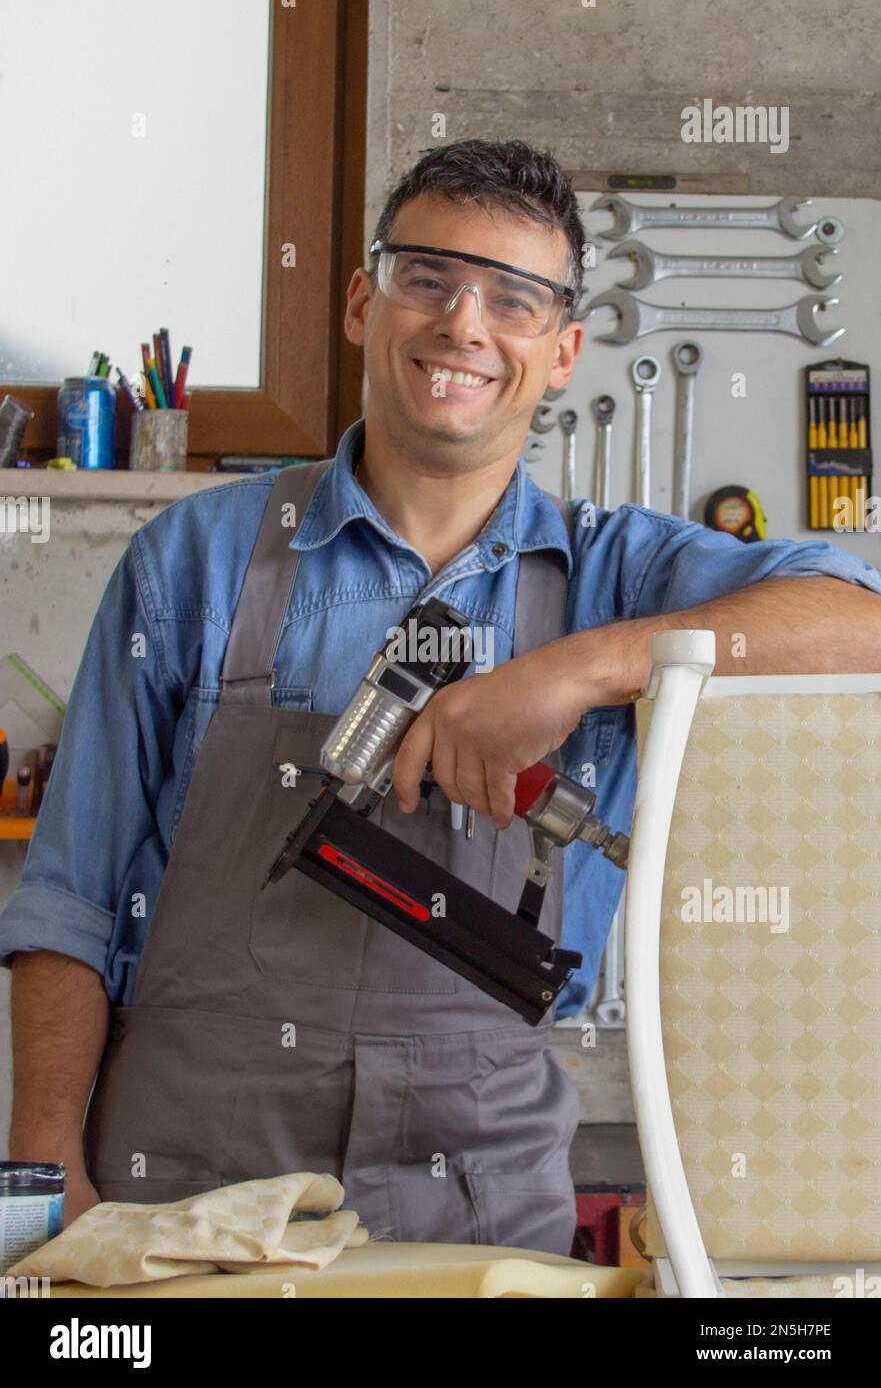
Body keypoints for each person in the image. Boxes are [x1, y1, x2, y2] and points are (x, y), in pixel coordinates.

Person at [3, 140, 880, 1256]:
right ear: (364, 303)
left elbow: (862, 626)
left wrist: (578, 669)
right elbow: (71, 899)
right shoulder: (196, 561)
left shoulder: (616, 576)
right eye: (429, 278)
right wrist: (43, 1180)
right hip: (186, 1184)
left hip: (476, 1196)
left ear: (561, 351)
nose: (464, 325)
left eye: (512, 299)